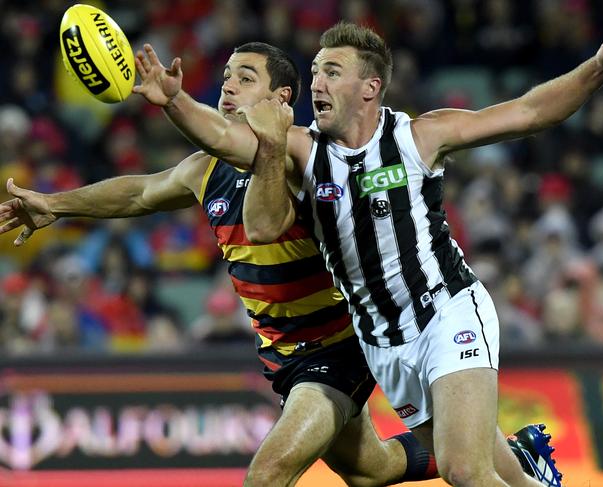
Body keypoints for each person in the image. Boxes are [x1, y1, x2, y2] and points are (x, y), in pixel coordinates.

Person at [131, 21, 603, 487]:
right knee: (497, 472)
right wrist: (173, 101)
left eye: (332, 72)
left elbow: (531, 111)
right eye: (315, 72)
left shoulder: (420, 136)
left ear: (370, 88)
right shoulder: (301, 150)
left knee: (464, 469)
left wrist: (598, 68)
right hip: (383, 344)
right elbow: (221, 135)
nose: (317, 84)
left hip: (447, 312)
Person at [0, 41, 446, 487]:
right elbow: (139, 193)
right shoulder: (205, 170)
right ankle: (501, 452)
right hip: (284, 353)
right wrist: (54, 204)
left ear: (281, 100)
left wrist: (175, 101)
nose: (229, 84)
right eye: (228, 75)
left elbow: (229, 156)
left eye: (246, 78)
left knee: (266, 476)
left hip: (340, 345)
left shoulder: (308, 158)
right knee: (370, 470)